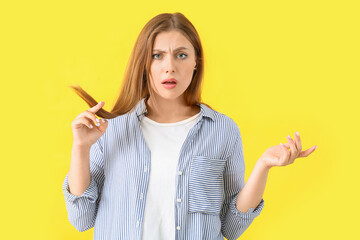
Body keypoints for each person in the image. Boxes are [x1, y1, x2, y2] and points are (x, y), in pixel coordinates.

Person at [62, 12, 317, 240]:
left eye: (181, 55)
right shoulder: (111, 129)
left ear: (196, 62)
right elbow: (81, 219)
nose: (169, 67)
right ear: (144, 64)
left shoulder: (222, 131)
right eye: (157, 56)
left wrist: (263, 166)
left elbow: (232, 228)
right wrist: (81, 148)